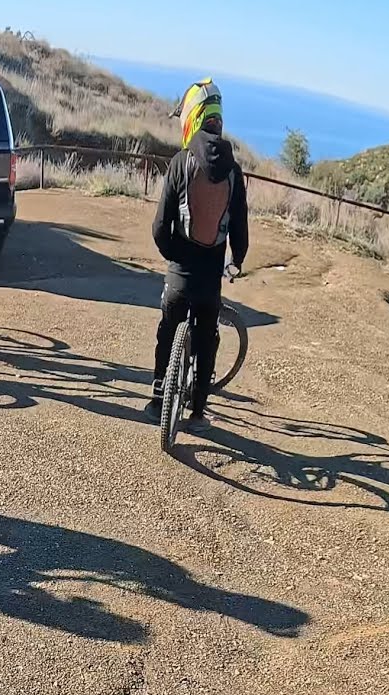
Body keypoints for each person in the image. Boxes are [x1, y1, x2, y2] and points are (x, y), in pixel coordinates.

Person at [145, 78, 249, 432]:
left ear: (193, 118)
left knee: (167, 328)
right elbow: (240, 230)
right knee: (207, 337)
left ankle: (158, 399)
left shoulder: (180, 163)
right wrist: (236, 261)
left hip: (180, 273)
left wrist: (173, 256)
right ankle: (199, 411)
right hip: (209, 278)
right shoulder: (234, 173)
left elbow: (161, 226)